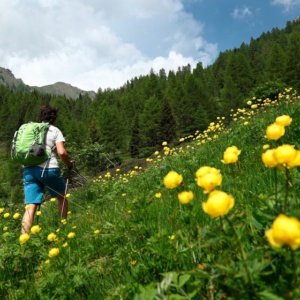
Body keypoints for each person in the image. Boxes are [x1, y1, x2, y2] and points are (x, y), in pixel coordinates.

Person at [21, 104, 73, 234]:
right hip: (48, 169)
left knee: (31, 206)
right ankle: (63, 229)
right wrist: (69, 164)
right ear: (53, 117)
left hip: (28, 170)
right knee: (62, 197)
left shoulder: (30, 129)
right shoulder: (54, 130)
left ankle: (23, 241)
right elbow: (62, 152)